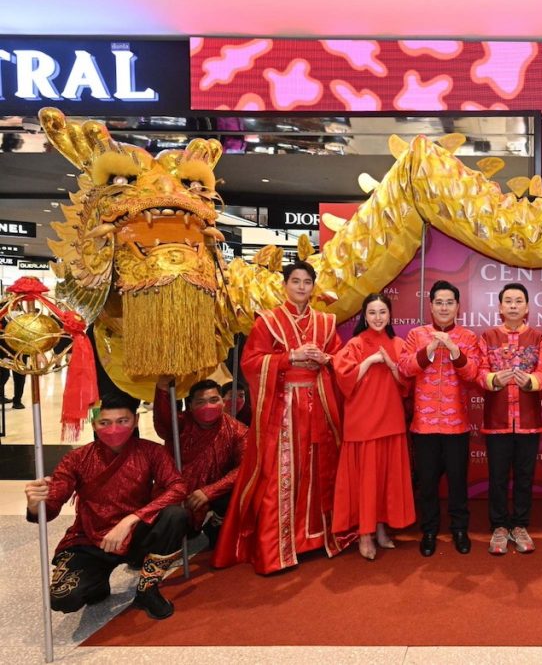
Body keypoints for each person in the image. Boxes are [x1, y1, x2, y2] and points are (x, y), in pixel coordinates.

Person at [213, 261, 345, 574]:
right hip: (284, 409)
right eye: (295, 281)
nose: (301, 287)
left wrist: (326, 359)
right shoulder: (268, 322)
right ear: (285, 285)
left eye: (307, 282)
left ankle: (316, 538)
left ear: (313, 286)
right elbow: (251, 362)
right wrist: (289, 358)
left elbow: (341, 359)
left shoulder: (326, 322)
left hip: (319, 405)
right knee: (281, 475)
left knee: (318, 469)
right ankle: (278, 549)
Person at [24, 393, 188, 620]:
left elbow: (178, 487)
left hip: (135, 534)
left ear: (136, 421)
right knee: (64, 598)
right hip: (89, 540)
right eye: (105, 422)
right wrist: (35, 504)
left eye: (122, 421)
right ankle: (97, 582)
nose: (114, 429)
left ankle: (147, 590)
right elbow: (50, 508)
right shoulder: (76, 459)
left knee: (175, 515)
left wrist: (131, 519)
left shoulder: (152, 451)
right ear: (93, 424)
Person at [399, 280, 480, 557]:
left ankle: (459, 529)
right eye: (439, 302)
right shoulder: (416, 334)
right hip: (424, 425)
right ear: (431, 306)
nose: (444, 307)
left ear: (458, 306)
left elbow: (473, 374)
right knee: (428, 483)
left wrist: (455, 351)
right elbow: (405, 368)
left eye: (449, 302)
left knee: (458, 482)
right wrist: (431, 348)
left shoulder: (468, 337)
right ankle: (430, 531)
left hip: (456, 425)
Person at [333, 293, 416, 561]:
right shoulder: (355, 344)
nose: (378, 317)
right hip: (363, 422)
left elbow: (406, 384)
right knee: (366, 481)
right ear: (364, 316)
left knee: (384, 479)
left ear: (390, 315)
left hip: (390, 419)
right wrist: (369, 361)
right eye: (372, 312)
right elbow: (344, 378)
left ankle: (380, 527)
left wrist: (391, 365)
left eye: (382, 312)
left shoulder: (399, 344)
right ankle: (365, 533)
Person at [477, 283, 542, 555]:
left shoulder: (539, 338)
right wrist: (494, 379)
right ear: (499, 307)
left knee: (524, 477)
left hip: (528, 421)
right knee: (497, 477)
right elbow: (479, 371)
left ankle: (520, 525)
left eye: (518, 301)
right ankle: (499, 526)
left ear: (527, 307)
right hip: (497, 420)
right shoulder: (488, 337)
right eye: (507, 301)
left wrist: (530, 381)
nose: (512, 305)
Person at [153, 377, 248, 548]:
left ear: (223, 401)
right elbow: (163, 424)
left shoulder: (237, 431)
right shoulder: (179, 424)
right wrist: (162, 390)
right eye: (201, 402)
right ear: (190, 406)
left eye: (214, 400)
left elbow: (244, 467)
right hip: (175, 494)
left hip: (213, 495)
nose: (208, 406)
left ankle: (215, 530)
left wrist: (210, 491)